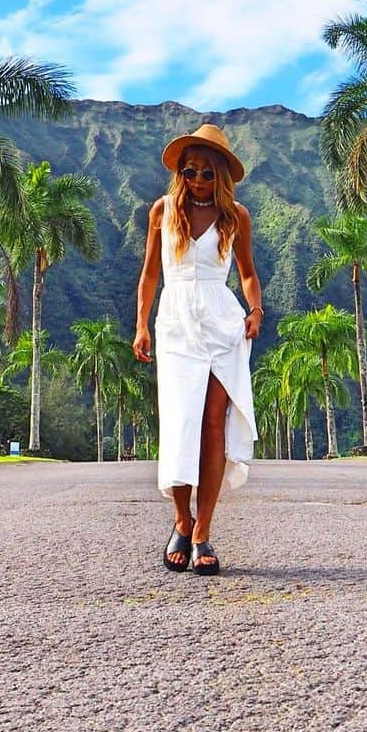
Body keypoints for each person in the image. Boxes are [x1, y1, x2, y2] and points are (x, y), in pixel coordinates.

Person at [133, 124, 262, 575]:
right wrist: (141, 324)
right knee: (182, 421)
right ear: (181, 173)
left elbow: (246, 272)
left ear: (222, 174)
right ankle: (181, 521)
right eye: (191, 171)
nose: (199, 180)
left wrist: (255, 308)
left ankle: (203, 531)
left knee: (212, 424)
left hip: (222, 321)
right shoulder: (163, 211)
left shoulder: (236, 217)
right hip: (176, 322)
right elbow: (150, 274)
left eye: (208, 172)